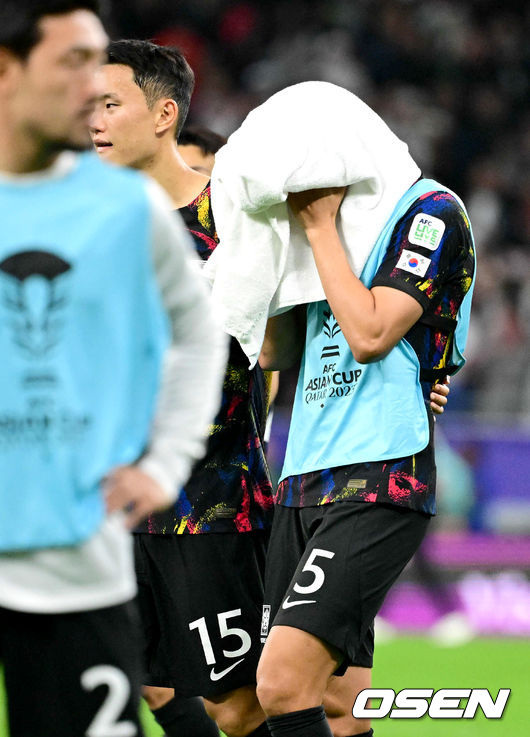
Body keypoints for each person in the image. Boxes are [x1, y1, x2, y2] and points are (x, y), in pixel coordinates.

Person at [0, 4, 227, 737]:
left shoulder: (128, 209)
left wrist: (163, 464)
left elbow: (200, 336)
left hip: (80, 570)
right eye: (72, 66)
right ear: (8, 73)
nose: (89, 94)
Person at [89, 40, 274, 737]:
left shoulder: (232, 220)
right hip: (113, 503)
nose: (93, 121)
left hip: (210, 501)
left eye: (110, 104)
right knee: (151, 683)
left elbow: (306, 325)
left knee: (240, 704)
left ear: (164, 113)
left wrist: (423, 375)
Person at [255, 176, 475, 735]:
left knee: (281, 685)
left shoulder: (422, 213)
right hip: (300, 478)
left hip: (376, 472)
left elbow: (370, 335)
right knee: (338, 701)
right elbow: (276, 351)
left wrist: (319, 228)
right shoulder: (281, 234)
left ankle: (448, 611)